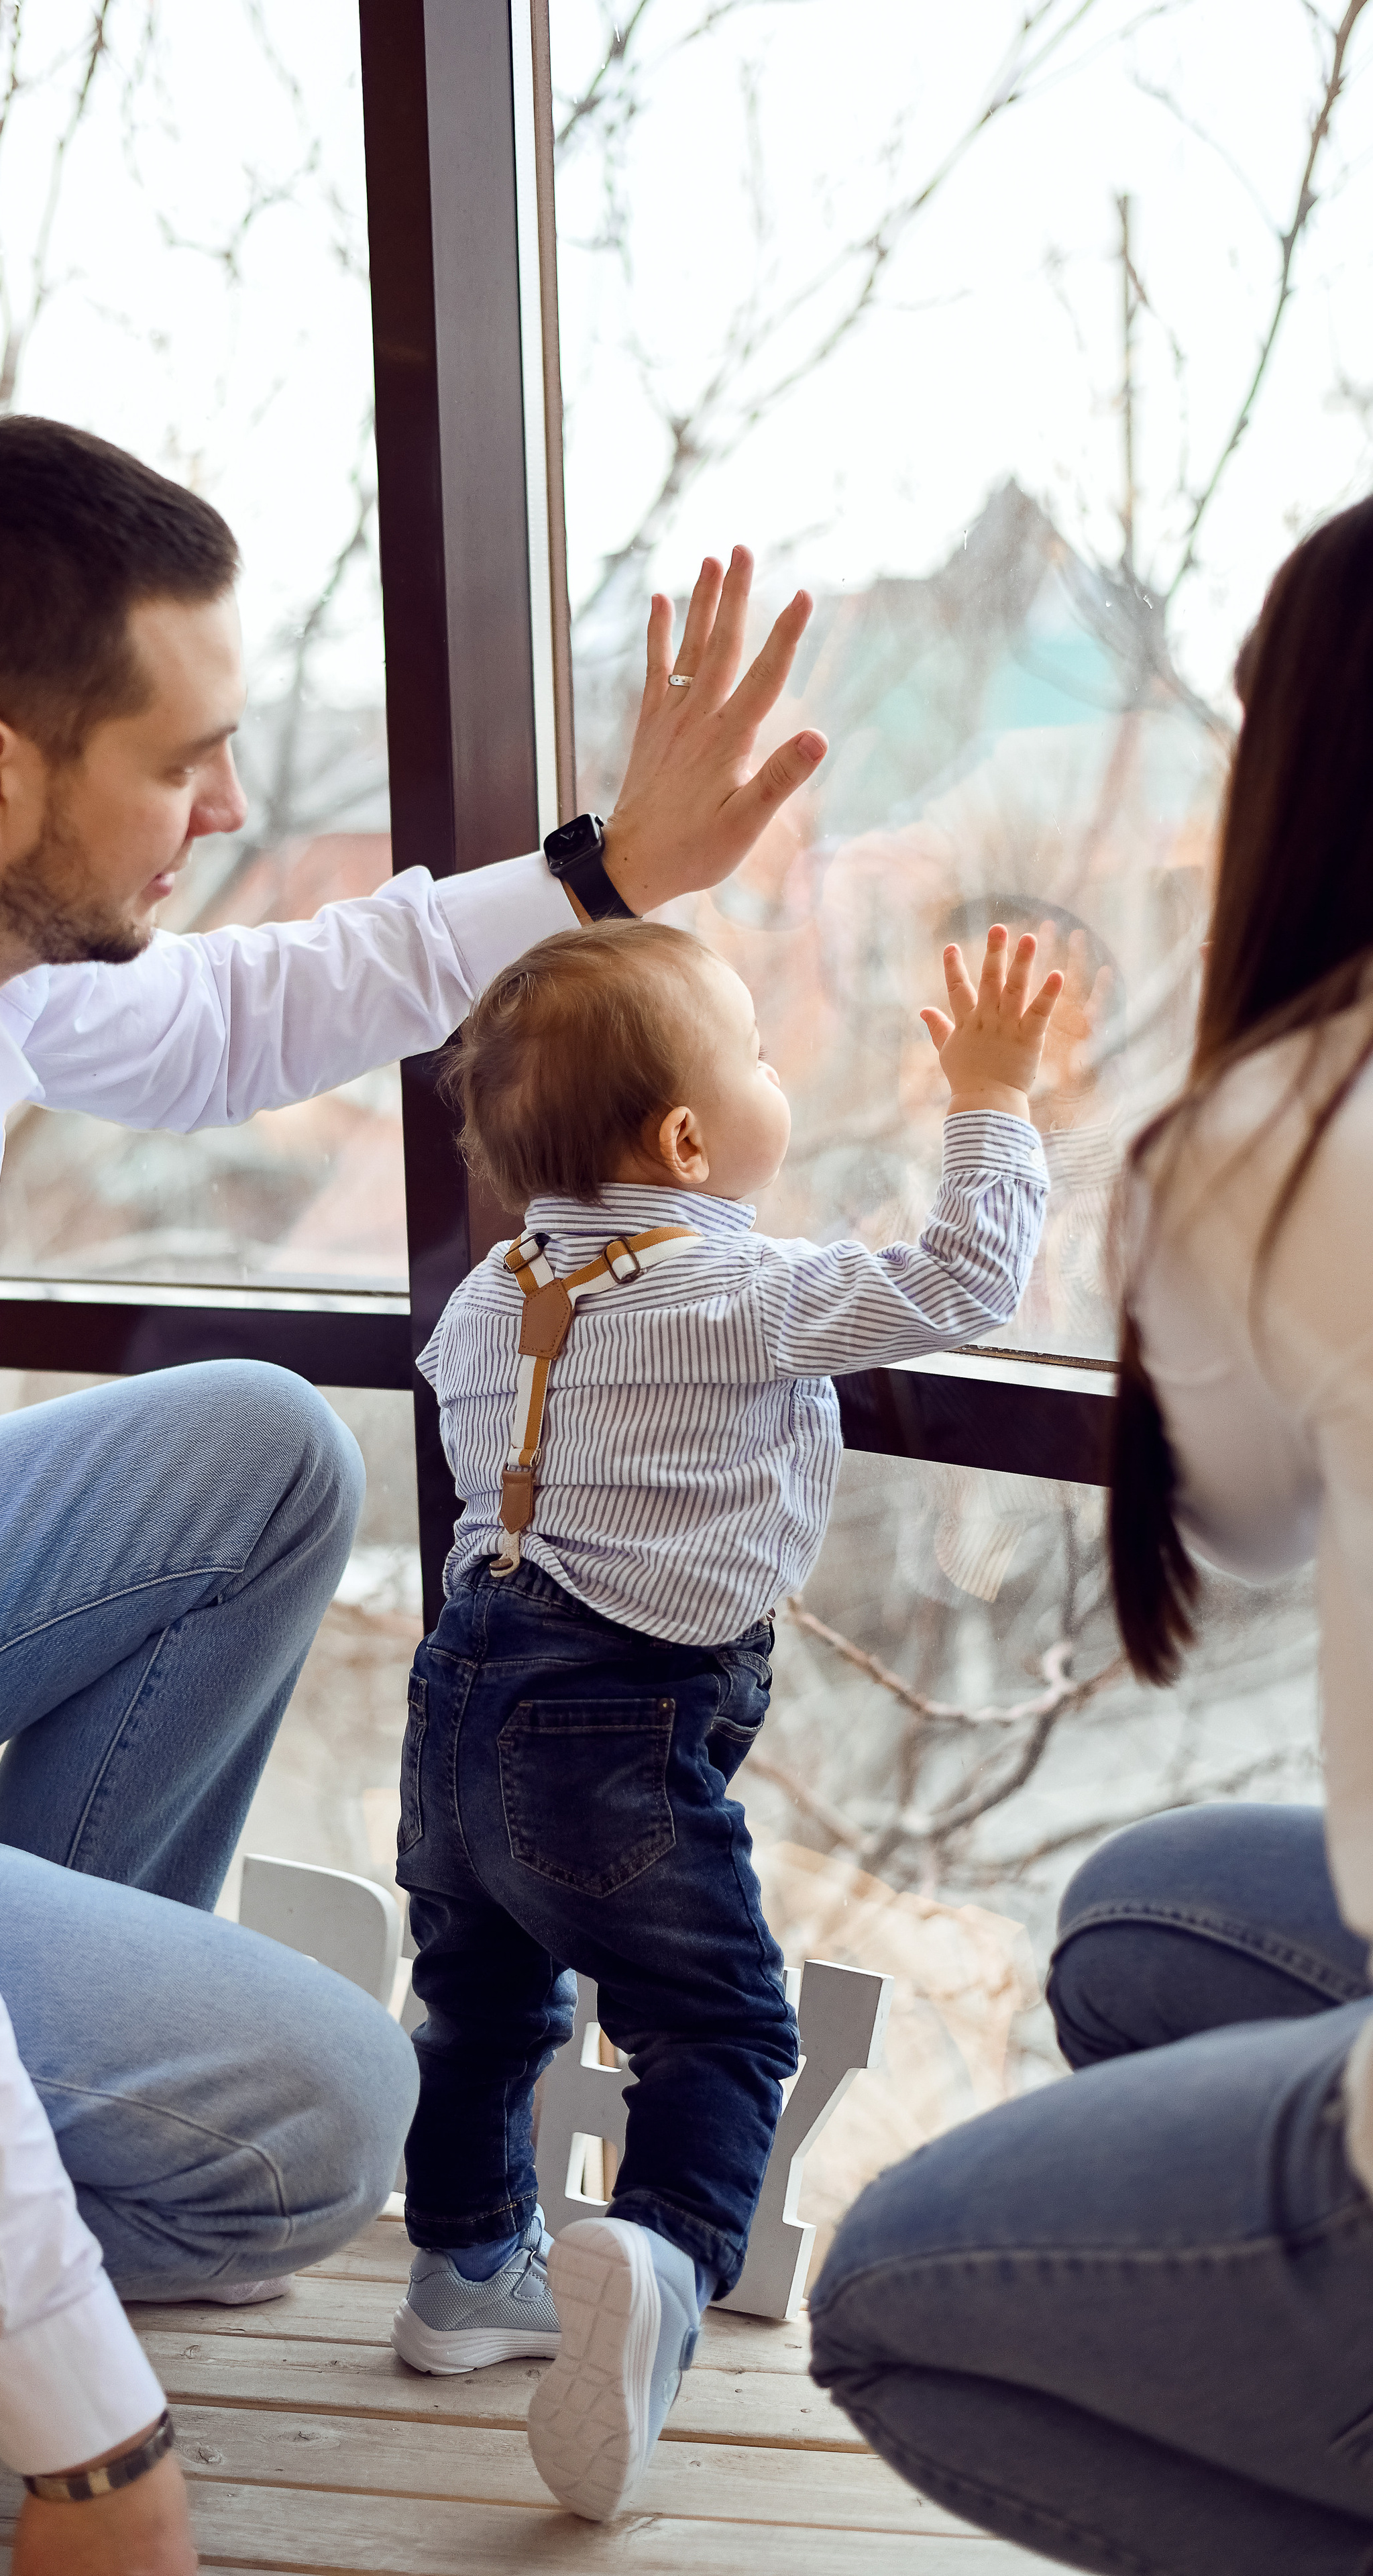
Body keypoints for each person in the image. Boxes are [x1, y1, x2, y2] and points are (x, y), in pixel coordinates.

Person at [0, 413, 830, 2575]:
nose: (227, 807)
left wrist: (595, 882)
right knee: (314, 2125)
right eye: (184, 761)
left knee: (258, 1456)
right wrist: (90, 2450)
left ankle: (0, 2189)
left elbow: (203, 1024)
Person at [808, 492, 1373, 2576]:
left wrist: (995, 1113)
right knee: (1146, 1912)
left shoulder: (1279, 1132)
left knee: (889, 2309)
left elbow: (1242, 1517)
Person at [384, 912, 1061, 2520]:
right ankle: (665, 2265)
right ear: (688, 1140)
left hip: (458, 1684)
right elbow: (960, 1278)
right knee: (721, 2028)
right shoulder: (734, 1291)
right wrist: (992, 1099)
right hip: (615, 1718)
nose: (776, 1072)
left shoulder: (489, 1297)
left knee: (482, 2004)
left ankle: (460, 2272)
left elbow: (483, 1415)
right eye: (756, 1055)